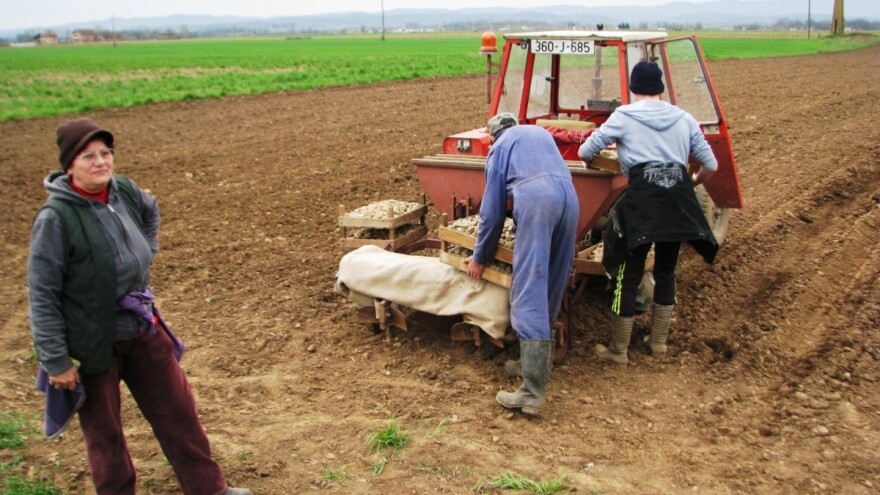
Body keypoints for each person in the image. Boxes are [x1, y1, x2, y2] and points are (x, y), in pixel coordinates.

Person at [27, 118, 252, 495]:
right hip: (92, 341)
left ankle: (210, 490)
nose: (101, 161)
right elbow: (42, 294)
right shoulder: (56, 218)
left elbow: (151, 209)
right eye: (88, 156)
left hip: (142, 327)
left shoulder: (125, 193)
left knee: (179, 415)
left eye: (105, 153)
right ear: (70, 165)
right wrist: (56, 360)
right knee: (105, 436)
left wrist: (145, 249)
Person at [578, 61, 719, 365]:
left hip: (643, 201)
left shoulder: (624, 116)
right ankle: (658, 344)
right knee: (667, 271)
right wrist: (690, 183)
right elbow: (711, 164)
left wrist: (593, 162)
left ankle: (618, 350)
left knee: (628, 273)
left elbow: (585, 151)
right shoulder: (684, 118)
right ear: (660, 89)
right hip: (678, 201)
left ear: (633, 88)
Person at [464, 113, 579, 416]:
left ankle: (532, 393)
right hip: (570, 199)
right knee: (552, 280)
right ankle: (533, 365)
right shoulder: (538, 135)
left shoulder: (499, 147)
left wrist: (480, 257)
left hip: (539, 202)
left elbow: (492, 212)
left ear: (493, 136)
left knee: (529, 285)